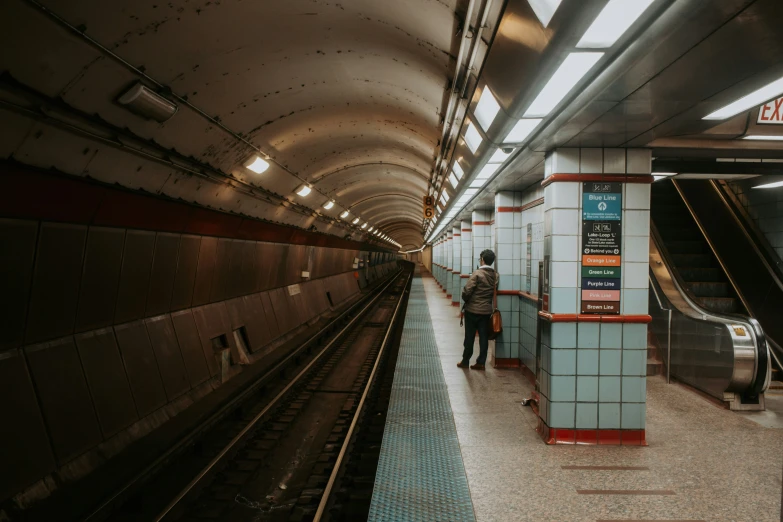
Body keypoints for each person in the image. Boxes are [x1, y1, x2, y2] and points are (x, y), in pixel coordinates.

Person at [457, 249, 498, 371]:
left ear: (482, 259)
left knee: (469, 336)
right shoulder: (495, 275)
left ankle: (465, 361)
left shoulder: (477, 274)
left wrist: (466, 299)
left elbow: (467, 291)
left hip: (472, 310)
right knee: (483, 337)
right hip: (486, 311)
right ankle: (481, 362)